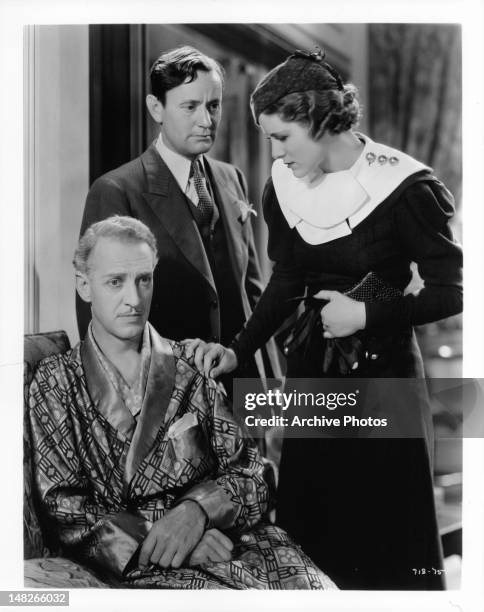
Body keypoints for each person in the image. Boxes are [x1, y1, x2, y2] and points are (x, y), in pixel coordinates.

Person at [186, 50, 463, 589]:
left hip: (384, 378)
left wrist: (366, 312)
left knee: (387, 530)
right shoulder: (284, 187)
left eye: (283, 136)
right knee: (315, 526)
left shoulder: (406, 188)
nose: (275, 152)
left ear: (320, 118)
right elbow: (287, 282)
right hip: (314, 368)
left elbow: (452, 293)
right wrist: (238, 350)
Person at [27, 216, 336, 590]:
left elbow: (254, 473)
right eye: (115, 282)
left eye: (144, 280)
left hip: (229, 540)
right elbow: (64, 506)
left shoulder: (190, 364)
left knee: (314, 587)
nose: (134, 299)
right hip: (143, 563)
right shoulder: (56, 380)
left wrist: (198, 510)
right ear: (84, 285)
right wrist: (166, 540)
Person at [77, 45, 280, 384]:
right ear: (156, 108)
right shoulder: (116, 190)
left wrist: (268, 383)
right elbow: (101, 316)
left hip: (242, 383)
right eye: (190, 107)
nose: (206, 120)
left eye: (213, 106)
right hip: (167, 392)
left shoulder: (232, 179)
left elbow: (251, 291)